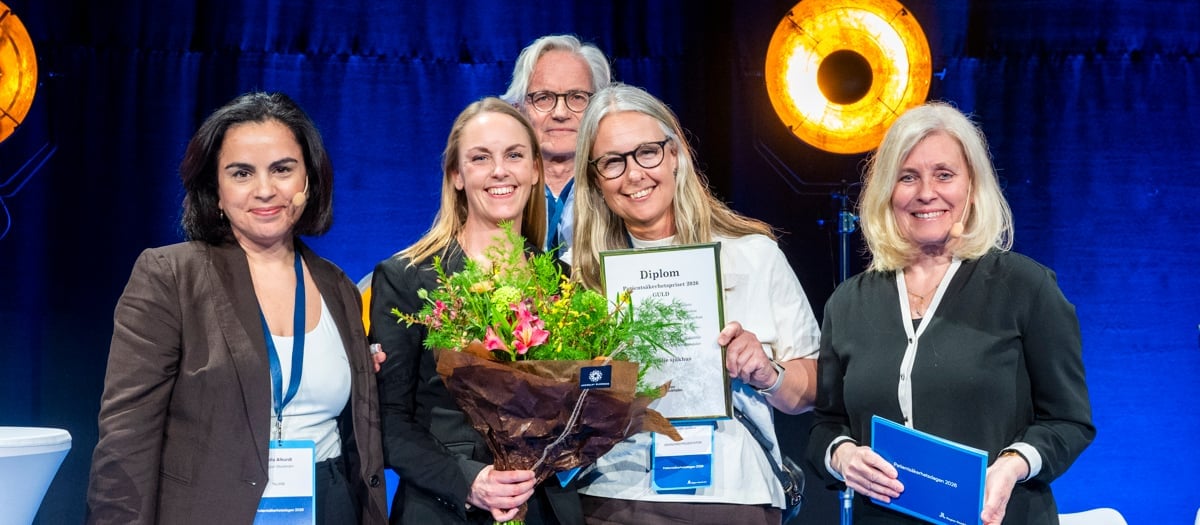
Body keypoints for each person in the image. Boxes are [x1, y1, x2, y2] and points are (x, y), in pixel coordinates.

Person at [86, 92, 389, 524]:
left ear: (308, 180)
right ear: (216, 190)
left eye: (282, 169)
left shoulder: (337, 286)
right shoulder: (170, 276)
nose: (265, 190)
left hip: (329, 504)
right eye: (242, 173)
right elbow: (126, 439)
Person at [806, 101, 1095, 524]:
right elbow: (825, 425)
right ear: (887, 191)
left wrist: (1014, 463)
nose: (926, 192)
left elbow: (1069, 420)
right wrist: (842, 455)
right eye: (908, 177)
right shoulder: (849, 303)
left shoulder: (1025, 287)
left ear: (971, 186)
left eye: (944, 175)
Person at [567, 83, 820, 525]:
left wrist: (767, 372)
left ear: (675, 155)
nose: (634, 174)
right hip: (614, 495)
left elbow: (814, 389)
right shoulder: (576, 276)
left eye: (647, 152)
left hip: (734, 494)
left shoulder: (753, 254)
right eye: (612, 162)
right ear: (595, 179)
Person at [369, 97, 583, 525]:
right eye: (480, 158)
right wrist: (469, 480)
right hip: (447, 509)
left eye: (514, 155)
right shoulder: (406, 277)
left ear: (535, 169)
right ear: (456, 175)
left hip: (545, 508)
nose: (499, 170)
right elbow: (388, 420)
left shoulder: (563, 281)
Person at [501, 34, 612, 254]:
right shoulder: (498, 189)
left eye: (577, 97)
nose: (560, 113)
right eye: (543, 98)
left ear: (599, 108)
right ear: (519, 109)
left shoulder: (619, 186)